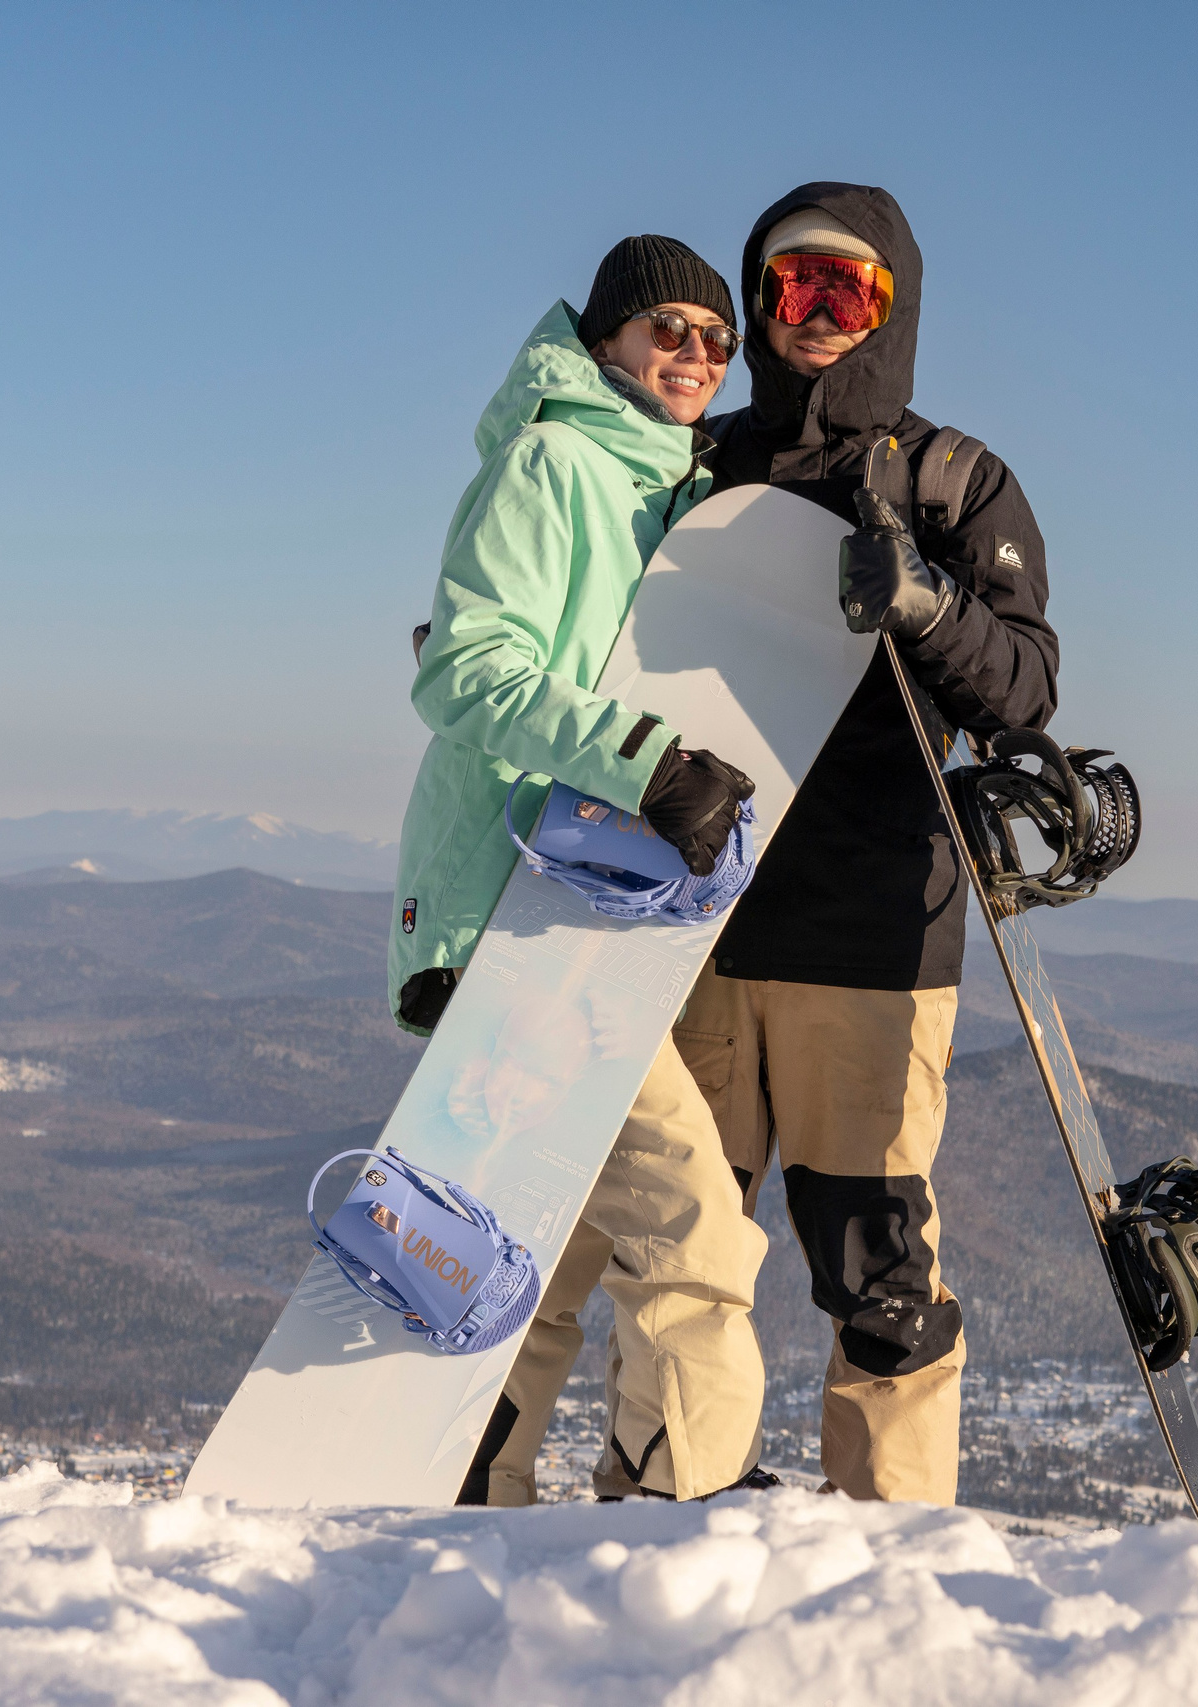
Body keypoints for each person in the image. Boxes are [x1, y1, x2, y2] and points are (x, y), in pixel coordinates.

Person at [478, 184, 1059, 1506]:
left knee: (880, 1280)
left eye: (850, 289)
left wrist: (930, 608)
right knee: (668, 1250)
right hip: (689, 933)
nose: (817, 313)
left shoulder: (954, 479)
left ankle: (891, 1554)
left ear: (894, 309)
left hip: (873, 938)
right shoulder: (700, 460)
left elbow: (1025, 691)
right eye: (791, 284)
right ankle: (665, 1512)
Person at [391, 234, 777, 1504]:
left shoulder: (657, 491)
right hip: (512, 912)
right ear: (603, 336)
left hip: (574, 913)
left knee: (533, 1248)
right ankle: (688, 1510)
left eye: (717, 341)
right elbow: (465, 671)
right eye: (668, 329)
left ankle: (471, 1498)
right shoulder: (555, 463)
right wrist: (650, 764)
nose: (696, 355)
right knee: (689, 1219)